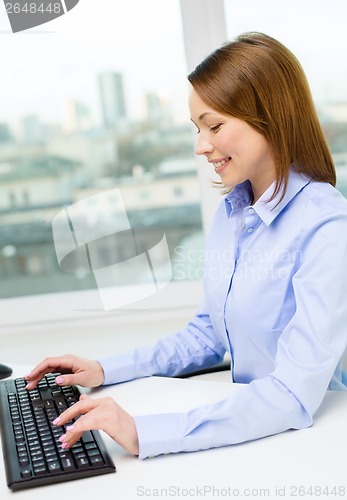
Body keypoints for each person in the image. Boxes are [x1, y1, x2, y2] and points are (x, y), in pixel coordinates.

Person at [24, 32, 347, 460]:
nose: (201, 146)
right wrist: (104, 369)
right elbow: (208, 335)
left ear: (270, 117)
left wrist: (144, 433)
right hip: (250, 430)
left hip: (311, 443)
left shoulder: (327, 227)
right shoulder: (234, 212)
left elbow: (291, 392)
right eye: (197, 129)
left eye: (214, 126)